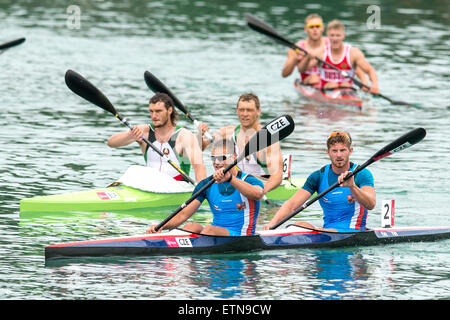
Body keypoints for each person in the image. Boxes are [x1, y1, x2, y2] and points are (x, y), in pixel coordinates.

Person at [146, 138, 265, 236]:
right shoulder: (206, 184)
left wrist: (230, 179)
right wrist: (161, 225)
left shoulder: (248, 180)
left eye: (222, 157)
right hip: (215, 233)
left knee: (209, 230)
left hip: (242, 236)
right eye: (213, 158)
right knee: (190, 226)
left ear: (234, 157)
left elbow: (258, 194)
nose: (216, 162)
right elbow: (183, 214)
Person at [263, 131, 376, 232]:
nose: (339, 155)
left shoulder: (361, 174)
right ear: (327, 152)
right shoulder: (318, 176)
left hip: (353, 231)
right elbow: (292, 205)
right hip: (327, 232)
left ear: (350, 151)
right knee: (297, 225)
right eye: (334, 151)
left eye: (342, 150)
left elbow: (371, 204)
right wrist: (272, 224)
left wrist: (352, 186)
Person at [107, 92, 206, 183]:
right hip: (150, 184)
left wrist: (201, 194)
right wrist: (130, 135)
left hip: (176, 187)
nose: (154, 116)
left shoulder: (185, 136)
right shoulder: (144, 132)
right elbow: (111, 143)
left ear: (170, 110)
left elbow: (199, 168)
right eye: (151, 111)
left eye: (158, 111)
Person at [201, 93, 283, 196]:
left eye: (249, 110)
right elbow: (202, 147)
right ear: (237, 111)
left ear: (258, 111)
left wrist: (261, 192)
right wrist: (201, 135)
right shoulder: (226, 132)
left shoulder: (268, 140)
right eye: (241, 110)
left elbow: (277, 176)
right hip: (235, 184)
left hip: (258, 187)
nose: (245, 114)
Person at [319, 20, 379, 94]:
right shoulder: (320, 52)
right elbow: (304, 70)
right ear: (327, 35)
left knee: (345, 85)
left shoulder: (353, 53)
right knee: (332, 84)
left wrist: (374, 85)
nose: (335, 39)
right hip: (326, 90)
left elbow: (370, 70)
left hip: (347, 91)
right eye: (332, 35)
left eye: (338, 35)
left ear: (344, 35)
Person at [281, 13, 329, 88]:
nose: (315, 29)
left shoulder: (332, 44)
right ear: (305, 29)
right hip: (308, 83)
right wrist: (294, 59)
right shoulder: (297, 48)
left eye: (318, 26)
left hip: (328, 83)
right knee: (313, 78)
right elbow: (284, 74)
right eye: (311, 27)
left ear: (322, 28)